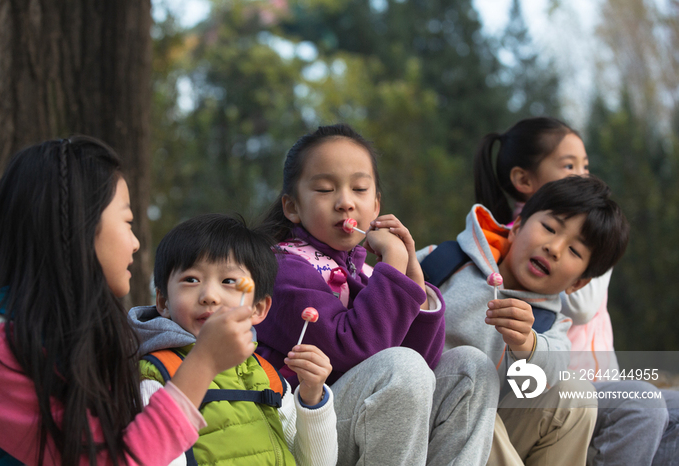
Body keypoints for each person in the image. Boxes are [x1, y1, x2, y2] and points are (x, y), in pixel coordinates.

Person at [0, 137, 258, 465]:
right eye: (127, 222)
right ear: (80, 226)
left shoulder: (85, 327)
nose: (136, 243)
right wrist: (204, 362)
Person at [256, 123, 500, 465]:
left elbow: (423, 366)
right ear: (292, 207)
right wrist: (394, 263)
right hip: (305, 429)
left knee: (471, 368)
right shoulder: (282, 266)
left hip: (362, 416)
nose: (345, 203)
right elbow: (350, 349)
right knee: (401, 368)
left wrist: (412, 275)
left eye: (359, 188)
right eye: (325, 189)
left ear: (376, 205)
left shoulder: (371, 273)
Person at [472, 117, 676, 466]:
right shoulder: (517, 239)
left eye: (585, 166)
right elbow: (579, 306)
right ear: (524, 180)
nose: (583, 177)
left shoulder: (574, 232)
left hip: (592, 379)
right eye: (569, 167)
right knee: (643, 406)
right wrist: (593, 260)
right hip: (555, 386)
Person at [425, 175, 633, 465]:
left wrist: (528, 343)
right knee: (474, 391)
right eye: (549, 228)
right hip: (421, 404)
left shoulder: (550, 324)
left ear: (577, 284)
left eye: (574, 250)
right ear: (518, 226)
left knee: (577, 398)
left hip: (490, 433)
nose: (555, 248)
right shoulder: (446, 262)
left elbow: (553, 366)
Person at [129, 213, 337, 465]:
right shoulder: (156, 375)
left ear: (259, 308)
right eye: (191, 279)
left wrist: (312, 398)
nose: (209, 296)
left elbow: (315, 463)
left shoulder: (268, 376)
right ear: (163, 301)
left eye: (228, 281)